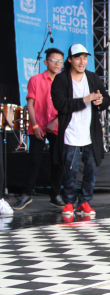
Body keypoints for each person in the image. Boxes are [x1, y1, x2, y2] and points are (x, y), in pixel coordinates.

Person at [51, 44, 110, 216]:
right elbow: (60, 104)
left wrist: (100, 102)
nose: (82, 61)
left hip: (90, 133)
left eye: (85, 57)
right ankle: (69, 201)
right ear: (70, 60)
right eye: (78, 57)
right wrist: (86, 99)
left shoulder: (92, 78)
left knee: (92, 168)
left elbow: (107, 99)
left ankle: (85, 201)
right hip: (70, 132)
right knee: (70, 169)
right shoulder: (61, 79)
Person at [13, 48, 65, 210]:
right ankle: (27, 193)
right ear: (46, 62)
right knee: (33, 160)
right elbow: (30, 103)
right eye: (53, 60)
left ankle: (55, 195)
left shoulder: (64, 82)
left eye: (60, 61)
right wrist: (35, 126)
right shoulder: (35, 79)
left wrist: (55, 122)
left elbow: (66, 107)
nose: (57, 64)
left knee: (58, 161)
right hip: (38, 126)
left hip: (56, 126)